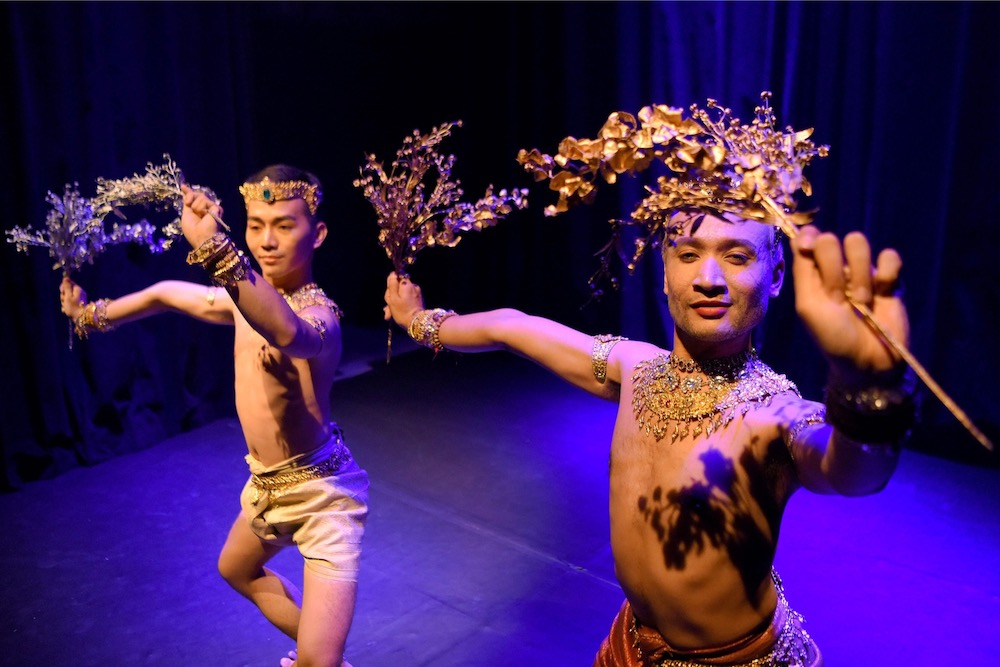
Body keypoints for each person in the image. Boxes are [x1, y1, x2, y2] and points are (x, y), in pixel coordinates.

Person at [383, 208, 916, 666]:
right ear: (663, 274)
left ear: (776, 275)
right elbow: (511, 327)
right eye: (687, 255)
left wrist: (865, 392)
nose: (709, 277)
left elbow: (851, 471)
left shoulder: (773, 413)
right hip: (632, 644)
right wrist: (420, 321)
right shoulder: (634, 367)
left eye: (736, 256)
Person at [60, 165, 369, 667]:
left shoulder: (321, 317)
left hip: (323, 498)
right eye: (255, 225)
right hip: (267, 486)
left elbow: (289, 332)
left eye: (285, 225)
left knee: (316, 660)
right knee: (237, 569)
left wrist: (217, 250)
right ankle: (323, 655)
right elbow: (164, 294)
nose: (267, 241)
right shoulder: (241, 301)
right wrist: (89, 315)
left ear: (320, 234)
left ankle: (321, 658)